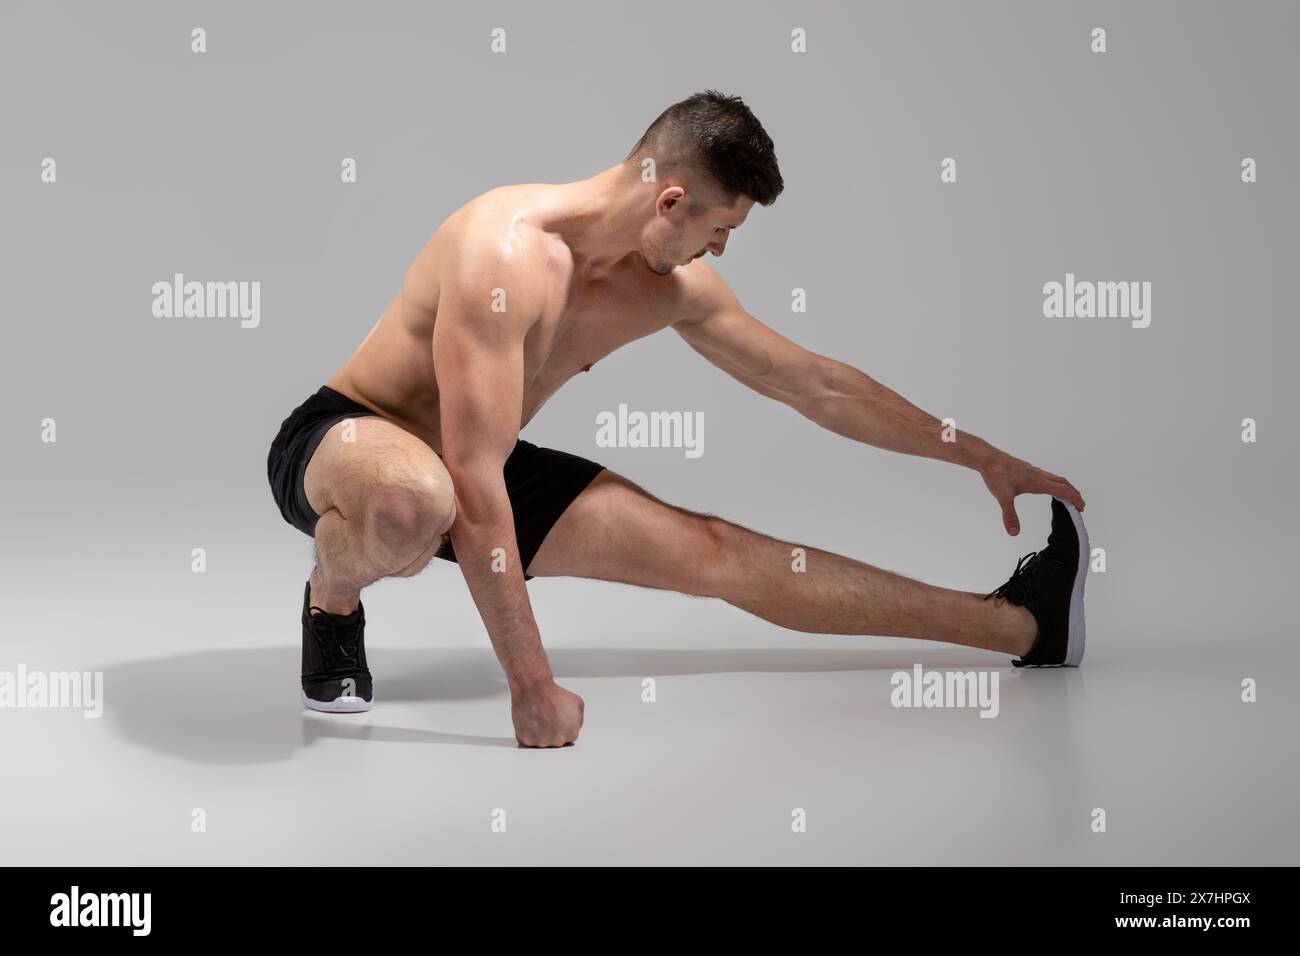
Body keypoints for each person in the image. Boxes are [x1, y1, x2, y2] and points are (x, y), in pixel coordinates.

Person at [266, 90, 1088, 747]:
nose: (721, 251)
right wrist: (531, 684)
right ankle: (332, 602)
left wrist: (975, 452)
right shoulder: (505, 251)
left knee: (717, 552)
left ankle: (1021, 624)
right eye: (720, 229)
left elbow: (814, 386)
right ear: (670, 199)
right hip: (356, 440)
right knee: (416, 501)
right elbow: (472, 482)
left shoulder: (672, 289)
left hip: (478, 459)